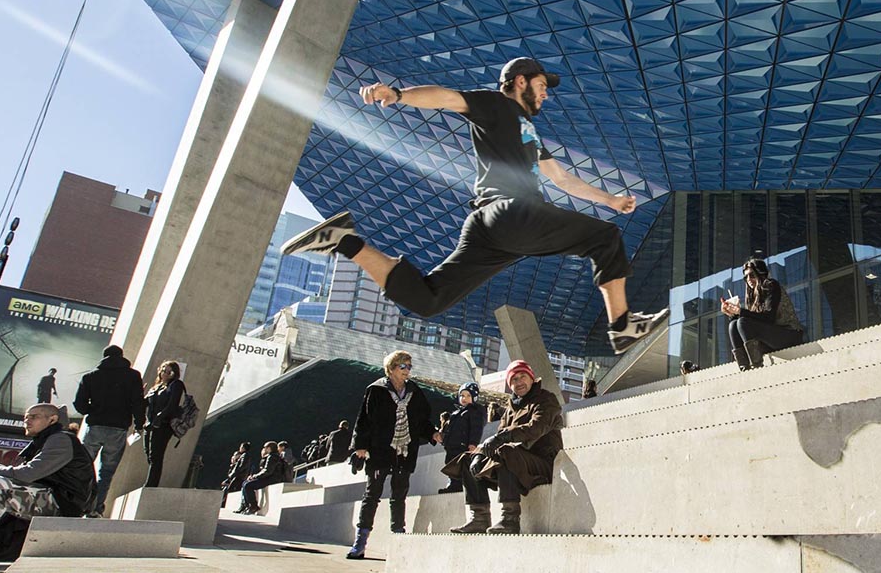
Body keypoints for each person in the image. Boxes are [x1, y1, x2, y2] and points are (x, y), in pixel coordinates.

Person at [282, 58, 668, 355]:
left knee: (430, 300)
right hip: (511, 212)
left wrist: (611, 199)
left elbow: (563, 179)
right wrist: (398, 95)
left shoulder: (529, 133)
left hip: (491, 229)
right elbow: (448, 99)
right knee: (604, 237)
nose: (546, 93)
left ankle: (346, 242)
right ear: (520, 82)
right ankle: (622, 326)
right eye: (540, 85)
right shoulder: (496, 105)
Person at [0, 404, 95, 573]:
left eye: (34, 417)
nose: (27, 421)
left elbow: (29, 473)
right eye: (26, 417)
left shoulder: (61, 439)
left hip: (64, 504)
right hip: (46, 496)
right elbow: (22, 473)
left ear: (52, 419)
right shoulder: (43, 440)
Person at [446, 360, 563, 535]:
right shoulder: (511, 406)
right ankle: (479, 517)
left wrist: (502, 437)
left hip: (541, 464)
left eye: (522, 376)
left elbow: (535, 429)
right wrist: (480, 453)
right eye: (514, 380)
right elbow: (498, 436)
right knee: (467, 459)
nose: (519, 382)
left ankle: (510, 519)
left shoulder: (546, 399)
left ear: (532, 378)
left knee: (505, 450)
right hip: (512, 462)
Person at [345, 351, 440, 560]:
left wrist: (432, 433)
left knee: (399, 496)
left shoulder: (414, 392)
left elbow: (421, 420)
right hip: (380, 451)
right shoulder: (376, 390)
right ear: (391, 368)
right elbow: (364, 419)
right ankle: (360, 543)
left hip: (404, 452)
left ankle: (398, 538)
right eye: (402, 366)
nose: (407, 370)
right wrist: (360, 446)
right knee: (371, 496)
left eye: (409, 366)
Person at [72, 344, 145, 516]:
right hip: (118, 429)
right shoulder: (133, 376)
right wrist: (139, 424)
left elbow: (79, 405)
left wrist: (93, 409)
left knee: (83, 468)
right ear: (121, 356)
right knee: (107, 472)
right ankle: (96, 508)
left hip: (95, 426)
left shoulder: (90, 376)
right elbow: (137, 402)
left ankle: (78, 504)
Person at [720, 258, 805, 371]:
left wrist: (741, 312)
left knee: (742, 322)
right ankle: (744, 367)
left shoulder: (771, 285)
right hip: (770, 339)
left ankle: (757, 365)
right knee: (733, 324)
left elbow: (768, 317)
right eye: (746, 277)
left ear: (760, 273)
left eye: (752, 275)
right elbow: (754, 320)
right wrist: (732, 313)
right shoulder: (752, 296)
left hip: (789, 334)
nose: (749, 279)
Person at [143, 361, 185, 487]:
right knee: (149, 454)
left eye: (169, 372)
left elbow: (172, 405)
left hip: (163, 425)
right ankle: (151, 483)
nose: (165, 374)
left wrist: (158, 419)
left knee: (156, 455)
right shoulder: (157, 387)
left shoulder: (175, 385)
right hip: (150, 425)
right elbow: (144, 403)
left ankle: (151, 485)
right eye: (163, 371)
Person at [438, 382, 485, 494]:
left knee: (460, 466)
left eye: (468, 396)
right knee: (450, 464)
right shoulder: (456, 413)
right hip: (452, 445)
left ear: (474, 398)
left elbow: (476, 429)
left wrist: (473, 443)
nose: (464, 398)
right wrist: (444, 438)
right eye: (462, 395)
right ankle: (452, 484)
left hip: (462, 445)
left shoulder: (474, 412)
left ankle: (457, 485)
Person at [237, 442, 285, 515]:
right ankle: (247, 506)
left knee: (248, 485)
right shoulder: (273, 456)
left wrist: (255, 476)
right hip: (269, 478)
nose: (264, 449)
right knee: (245, 483)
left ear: (269, 448)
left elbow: (267, 471)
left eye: (265, 447)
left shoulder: (272, 457)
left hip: (271, 479)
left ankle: (253, 506)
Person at [221, 442, 252, 508]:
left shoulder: (245, 455)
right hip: (239, 476)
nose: (240, 448)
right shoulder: (245, 455)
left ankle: (228, 504)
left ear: (243, 448)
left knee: (231, 489)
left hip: (239, 476)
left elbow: (241, 466)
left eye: (241, 447)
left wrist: (234, 473)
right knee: (232, 489)